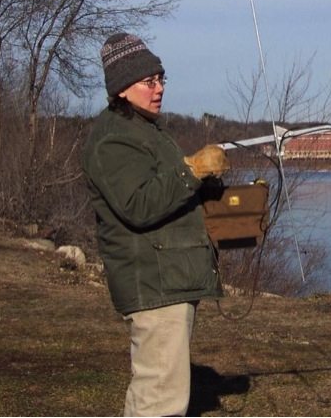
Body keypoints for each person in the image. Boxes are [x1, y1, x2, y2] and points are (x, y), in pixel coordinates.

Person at [81, 32, 230, 417]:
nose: (159, 88)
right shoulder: (114, 139)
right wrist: (192, 170)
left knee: (158, 393)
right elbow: (139, 204)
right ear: (122, 88)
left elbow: (167, 195)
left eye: (162, 79)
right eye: (149, 81)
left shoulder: (145, 131)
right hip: (154, 282)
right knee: (159, 401)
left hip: (168, 278)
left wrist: (207, 189)